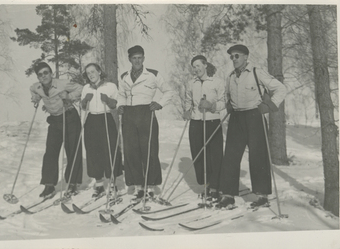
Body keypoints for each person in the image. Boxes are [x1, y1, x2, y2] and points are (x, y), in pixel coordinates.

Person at [216, 44, 287, 209]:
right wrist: (226, 107)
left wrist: (269, 106)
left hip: (255, 116)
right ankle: (227, 195)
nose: (234, 59)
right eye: (232, 56)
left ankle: (262, 196)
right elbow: (228, 98)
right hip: (236, 118)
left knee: (258, 156)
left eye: (237, 56)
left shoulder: (256, 72)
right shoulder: (231, 77)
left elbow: (281, 89)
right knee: (231, 156)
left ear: (246, 57)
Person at [118, 45, 175, 200]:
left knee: (149, 149)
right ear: (130, 59)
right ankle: (138, 186)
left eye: (140, 57)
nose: (137, 61)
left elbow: (169, 91)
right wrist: (120, 106)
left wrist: (159, 103)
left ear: (143, 58)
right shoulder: (124, 76)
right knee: (131, 151)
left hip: (146, 113)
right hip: (129, 115)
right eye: (134, 58)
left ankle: (150, 186)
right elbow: (121, 94)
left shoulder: (153, 75)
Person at [30, 62, 83, 199]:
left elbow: (81, 88)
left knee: (72, 150)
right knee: (50, 152)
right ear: (38, 77)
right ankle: (49, 185)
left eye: (46, 73)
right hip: (55, 120)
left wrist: (69, 97)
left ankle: (72, 183)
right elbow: (33, 89)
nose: (44, 76)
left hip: (70, 117)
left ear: (51, 73)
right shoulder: (37, 87)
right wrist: (35, 97)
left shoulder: (62, 84)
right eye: (40, 75)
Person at [183, 55, 225, 203]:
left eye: (198, 66)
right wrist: (187, 110)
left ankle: (215, 187)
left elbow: (223, 102)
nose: (196, 69)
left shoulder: (217, 82)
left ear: (205, 65)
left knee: (215, 156)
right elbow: (188, 100)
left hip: (212, 121)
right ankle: (206, 185)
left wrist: (212, 106)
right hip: (196, 122)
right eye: (194, 67)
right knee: (198, 154)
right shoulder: (191, 83)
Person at [80, 63, 123, 198]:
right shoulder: (86, 88)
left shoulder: (110, 86)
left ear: (99, 71)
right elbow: (83, 107)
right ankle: (99, 185)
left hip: (106, 118)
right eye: (88, 73)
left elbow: (115, 104)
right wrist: (85, 101)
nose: (91, 75)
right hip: (92, 120)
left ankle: (112, 183)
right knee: (93, 152)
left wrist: (108, 100)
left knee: (109, 150)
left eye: (93, 71)